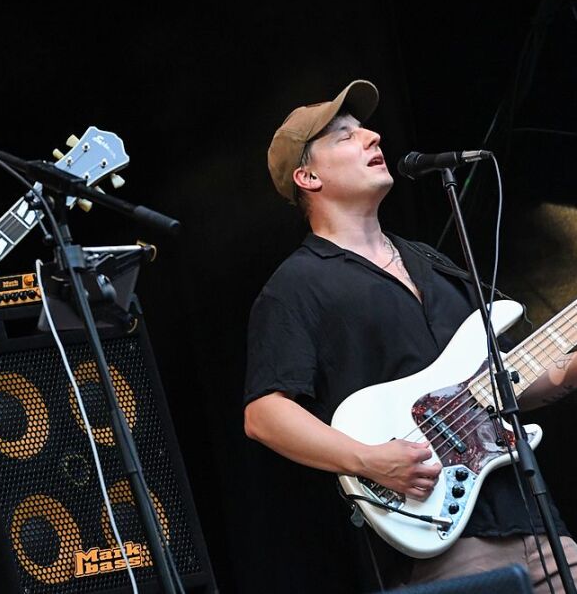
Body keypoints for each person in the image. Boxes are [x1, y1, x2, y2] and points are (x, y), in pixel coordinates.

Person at [243, 80, 575, 591]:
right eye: (345, 136)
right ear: (307, 176)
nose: (373, 137)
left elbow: (507, 387)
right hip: (443, 544)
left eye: (366, 129)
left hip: (537, 519)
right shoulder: (296, 286)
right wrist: (369, 460)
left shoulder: (433, 263)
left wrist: (568, 371)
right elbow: (264, 414)